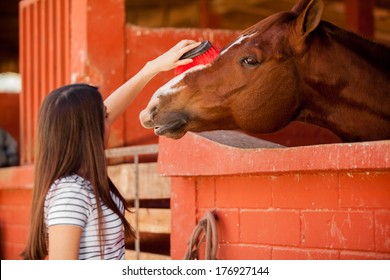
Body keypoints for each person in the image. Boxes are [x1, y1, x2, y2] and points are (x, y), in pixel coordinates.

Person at [22, 39, 201, 260]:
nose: (110, 117)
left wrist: (153, 67)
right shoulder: (70, 193)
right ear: (89, 129)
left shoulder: (81, 182)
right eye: (104, 116)